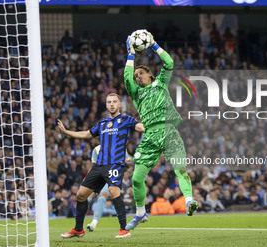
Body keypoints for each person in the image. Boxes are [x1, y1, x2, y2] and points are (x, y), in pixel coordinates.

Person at [123, 32, 198, 231]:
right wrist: (131, 54)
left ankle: (189, 200)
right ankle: (140, 213)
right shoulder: (136, 94)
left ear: (150, 74)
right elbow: (126, 77)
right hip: (149, 136)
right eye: (136, 75)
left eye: (141, 73)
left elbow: (169, 62)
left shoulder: (161, 83)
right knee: (137, 179)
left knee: (180, 168)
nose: (137, 76)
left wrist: (154, 44)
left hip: (169, 131)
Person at [60, 93, 144, 238]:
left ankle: (124, 230)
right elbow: (86, 134)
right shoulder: (102, 123)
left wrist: (153, 125)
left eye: (114, 102)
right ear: (106, 105)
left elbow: (140, 127)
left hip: (115, 164)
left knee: (113, 192)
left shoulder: (126, 120)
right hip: (99, 166)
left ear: (119, 105)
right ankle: (78, 229)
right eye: (109, 102)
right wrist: (67, 132)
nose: (111, 104)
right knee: (80, 195)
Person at [86, 145, 133, 232]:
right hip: (99, 178)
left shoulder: (120, 146)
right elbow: (94, 168)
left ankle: (93, 223)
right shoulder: (96, 149)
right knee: (88, 199)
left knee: (102, 197)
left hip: (112, 177)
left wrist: (128, 162)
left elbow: (128, 163)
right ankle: (78, 225)